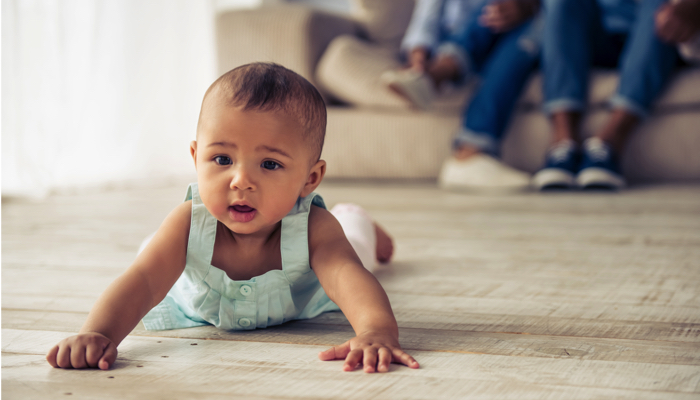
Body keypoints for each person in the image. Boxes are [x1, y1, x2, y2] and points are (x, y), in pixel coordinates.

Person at [45, 63, 419, 374]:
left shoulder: (314, 227)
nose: (240, 180)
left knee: (355, 248)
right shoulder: (190, 223)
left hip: (308, 295)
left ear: (310, 178)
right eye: (222, 159)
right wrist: (97, 333)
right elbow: (142, 282)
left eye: (270, 164)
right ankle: (157, 246)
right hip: (191, 284)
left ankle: (357, 218)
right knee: (154, 256)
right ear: (196, 158)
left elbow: (346, 277)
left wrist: (376, 330)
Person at [532, 0, 700, 190]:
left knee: (660, 5)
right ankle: (563, 143)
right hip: (598, 30)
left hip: (655, 29)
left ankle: (609, 142)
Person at [381, 0, 543, 190]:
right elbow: (427, 15)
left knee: (530, 26)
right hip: (463, 39)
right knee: (492, 7)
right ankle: (470, 149)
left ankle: (435, 76)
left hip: (518, 36)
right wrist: (418, 57)